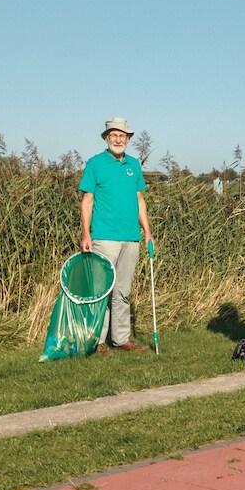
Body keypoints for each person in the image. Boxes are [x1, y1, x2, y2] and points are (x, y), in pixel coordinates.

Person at [79, 117, 153, 356]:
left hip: (131, 237)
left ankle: (121, 339)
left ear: (128, 139)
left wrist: (147, 232)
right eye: (114, 135)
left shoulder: (134, 165)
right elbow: (87, 203)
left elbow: (139, 200)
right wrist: (86, 234)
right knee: (102, 291)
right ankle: (97, 342)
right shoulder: (95, 164)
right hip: (104, 237)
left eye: (122, 136)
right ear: (106, 138)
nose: (118, 139)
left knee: (123, 291)